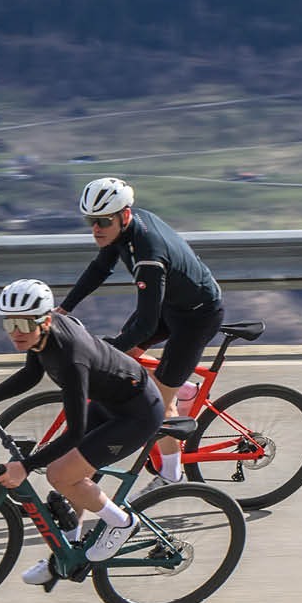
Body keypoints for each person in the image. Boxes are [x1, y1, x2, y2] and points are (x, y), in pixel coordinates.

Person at [0, 278, 164, 586]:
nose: (16, 332)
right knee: (68, 480)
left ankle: (123, 523)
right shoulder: (41, 337)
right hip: (111, 404)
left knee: (60, 475)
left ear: (46, 320)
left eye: (24, 324)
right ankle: (67, 555)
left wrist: (26, 466)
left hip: (137, 415)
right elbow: (30, 374)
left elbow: (74, 433)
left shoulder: (71, 357)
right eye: (9, 324)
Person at [57, 176, 224, 497]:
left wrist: (103, 356)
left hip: (197, 317)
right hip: (171, 304)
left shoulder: (148, 255)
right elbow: (100, 269)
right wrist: (64, 309)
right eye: (91, 221)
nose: (96, 228)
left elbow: (145, 326)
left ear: (124, 215)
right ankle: (184, 389)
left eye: (103, 221)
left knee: (158, 403)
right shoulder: (125, 227)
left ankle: (172, 475)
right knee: (127, 358)